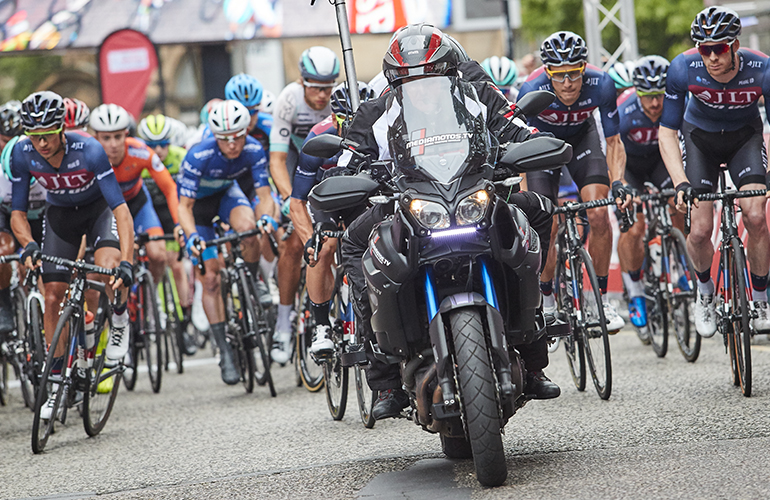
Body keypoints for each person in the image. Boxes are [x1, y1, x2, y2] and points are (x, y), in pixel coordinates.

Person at [338, 24, 560, 420]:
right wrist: (356, 176)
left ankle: (533, 345)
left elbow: (517, 128)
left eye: (430, 75)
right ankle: (384, 372)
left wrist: (521, 148)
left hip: (472, 194)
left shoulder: (477, 96)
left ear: (449, 72)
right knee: (354, 243)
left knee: (539, 209)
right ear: (395, 80)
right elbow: (345, 161)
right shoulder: (376, 111)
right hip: (406, 204)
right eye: (409, 79)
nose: (421, 85)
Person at [10, 91, 134, 419]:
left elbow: (121, 210)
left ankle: (119, 318)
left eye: (48, 134)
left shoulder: (89, 149)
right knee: (52, 295)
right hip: (61, 217)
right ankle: (55, 384)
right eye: (34, 136)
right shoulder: (22, 154)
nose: (42, 143)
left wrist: (128, 262)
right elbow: (18, 213)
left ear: (61, 129)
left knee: (108, 270)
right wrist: (28, 245)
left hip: (97, 212)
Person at [659, 6, 770, 336]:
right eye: (703, 49)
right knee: (700, 229)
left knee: (755, 215)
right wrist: (680, 182)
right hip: (699, 141)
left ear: (735, 45)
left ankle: (762, 297)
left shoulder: (762, 68)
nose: (711, 57)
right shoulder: (683, 67)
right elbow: (667, 132)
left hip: (743, 139)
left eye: (718, 48)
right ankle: (705, 293)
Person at [517, 31, 630, 334]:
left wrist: (618, 181)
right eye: (559, 75)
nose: (567, 82)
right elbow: (522, 154)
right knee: (547, 223)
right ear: (548, 72)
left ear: (583, 68)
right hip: (543, 146)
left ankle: (599, 300)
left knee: (598, 214)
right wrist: (528, 198)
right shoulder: (530, 88)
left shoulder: (602, 83)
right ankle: (548, 300)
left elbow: (614, 140)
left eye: (573, 73)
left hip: (583, 139)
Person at [178, 100, 276, 384]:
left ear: (247, 131)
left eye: (238, 137)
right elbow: (183, 207)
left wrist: (266, 218)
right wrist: (191, 235)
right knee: (210, 278)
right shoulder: (199, 154)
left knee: (249, 229)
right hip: (196, 209)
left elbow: (264, 195)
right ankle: (224, 351)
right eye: (224, 139)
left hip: (224, 196)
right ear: (214, 136)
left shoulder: (254, 150)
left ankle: (253, 277)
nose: (232, 145)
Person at [289, 81, 374, 357]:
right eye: (348, 120)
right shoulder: (320, 133)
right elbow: (297, 201)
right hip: (325, 199)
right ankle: (321, 326)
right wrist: (308, 240)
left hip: (362, 198)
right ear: (336, 117)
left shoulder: (383, 131)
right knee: (324, 247)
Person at [268, 46, 340, 364]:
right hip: (295, 164)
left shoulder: (339, 102)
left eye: (328, 87)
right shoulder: (289, 100)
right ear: (302, 81)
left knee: (334, 238)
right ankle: (284, 322)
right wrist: (288, 198)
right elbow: (277, 159)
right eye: (315, 87)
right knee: (294, 245)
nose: (322, 95)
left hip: (326, 165)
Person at [90, 104, 181, 286]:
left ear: (126, 134)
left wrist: (178, 223)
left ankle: (149, 296)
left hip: (138, 204)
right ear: (96, 138)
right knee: (116, 259)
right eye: (106, 138)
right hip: (108, 211)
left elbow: (169, 188)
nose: (114, 144)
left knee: (158, 255)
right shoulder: (89, 158)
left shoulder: (140, 152)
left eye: (118, 136)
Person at [615, 55, 675, 328]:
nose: (655, 103)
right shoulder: (623, 111)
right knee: (635, 227)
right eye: (648, 96)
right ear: (637, 92)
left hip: (661, 162)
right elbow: (610, 154)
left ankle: (680, 262)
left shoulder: (676, 105)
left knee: (680, 204)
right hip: (631, 168)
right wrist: (624, 187)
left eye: (660, 95)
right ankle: (636, 290)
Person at [138, 113, 196, 355]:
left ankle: (184, 320)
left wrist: (182, 224)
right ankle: (148, 310)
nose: (158, 150)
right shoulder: (140, 160)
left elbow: (185, 195)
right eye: (151, 145)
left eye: (163, 144)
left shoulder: (180, 158)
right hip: (148, 212)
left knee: (177, 266)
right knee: (152, 258)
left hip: (172, 212)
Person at [0, 102, 44, 334]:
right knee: (3, 250)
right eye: (5, 140)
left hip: (41, 216)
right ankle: (4, 304)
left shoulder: (45, 164)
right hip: (6, 216)